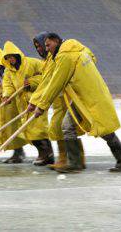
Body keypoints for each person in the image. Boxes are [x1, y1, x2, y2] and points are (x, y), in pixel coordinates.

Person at [30, 33, 121, 173]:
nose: (46, 49)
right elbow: (93, 59)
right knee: (68, 126)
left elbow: (55, 84)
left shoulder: (65, 57)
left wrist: (41, 105)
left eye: (48, 45)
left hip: (91, 98)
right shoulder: (78, 50)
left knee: (104, 130)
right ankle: (75, 163)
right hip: (83, 98)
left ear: (57, 42)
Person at [29, 32, 86, 170]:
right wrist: (35, 101)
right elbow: (46, 81)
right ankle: (70, 159)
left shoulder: (57, 58)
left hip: (65, 98)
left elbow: (50, 82)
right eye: (36, 47)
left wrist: (37, 102)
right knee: (60, 128)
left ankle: (71, 159)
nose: (39, 49)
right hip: (58, 100)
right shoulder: (49, 60)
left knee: (62, 128)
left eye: (41, 45)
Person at [2, 41, 53, 166]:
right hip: (22, 103)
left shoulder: (32, 63)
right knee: (29, 131)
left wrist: (31, 82)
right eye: (7, 58)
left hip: (36, 100)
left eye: (11, 56)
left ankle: (47, 154)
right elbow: (8, 85)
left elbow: (48, 76)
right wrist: (7, 95)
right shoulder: (9, 71)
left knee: (39, 129)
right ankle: (44, 154)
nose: (10, 60)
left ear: (17, 54)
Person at [0, 48, 27, 163]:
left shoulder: (8, 71)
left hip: (13, 103)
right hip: (5, 105)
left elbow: (12, 85)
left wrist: (6, 93)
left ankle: (20, 153)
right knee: (10, 129)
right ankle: (17, 152)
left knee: (16, 128)